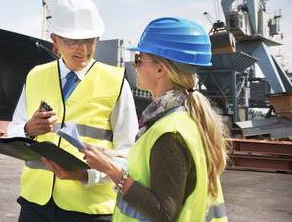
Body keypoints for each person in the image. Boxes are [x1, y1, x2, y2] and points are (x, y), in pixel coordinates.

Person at [77, 17, 229, 221]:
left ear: (160, 69)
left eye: (138, 59)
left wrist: (111, 170)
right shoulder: (181, 118)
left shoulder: (169, 134)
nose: (134, 65)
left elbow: (164, 214)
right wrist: (110, 157)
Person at [8, 0, 139, 222]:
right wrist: (28, 129)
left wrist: (87, 175)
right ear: (55, 41)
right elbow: (13, 132)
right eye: (73, 42)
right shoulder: (35, 76)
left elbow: (129, 152)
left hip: (89, 209)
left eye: (90, 41)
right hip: (35, 204)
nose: (83, 50)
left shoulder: (116, 82)